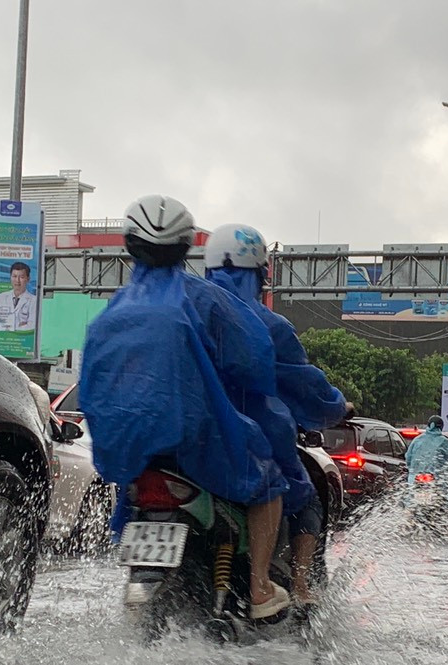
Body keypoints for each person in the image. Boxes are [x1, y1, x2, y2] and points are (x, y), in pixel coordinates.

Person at [79, 195, 290, 619]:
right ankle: (261, 586)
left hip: (132, 453)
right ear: (184, 246)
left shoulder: (110, 313)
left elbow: (92, 388)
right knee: (270, 484)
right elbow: (254, 358)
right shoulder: (203, 299)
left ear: (130, 245)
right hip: (198, 441)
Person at [203, 222, 351, 605]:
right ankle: (294, 588)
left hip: (184, 438)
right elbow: (307, 387)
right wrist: (338, 406)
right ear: (260, 273)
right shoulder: (268, 325)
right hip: (253, 442)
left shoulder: (184, 310)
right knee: (304, 496)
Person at [0, 262, 37, 331]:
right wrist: (20, 326)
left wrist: (8, 327)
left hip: (23, 339)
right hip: (2, 338)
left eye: (21, 277)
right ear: (10, 278)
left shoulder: (34, 300)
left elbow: (32, 326)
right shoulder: (1, 297)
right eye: (14, 276)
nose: (17, 281)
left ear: (28, 279)